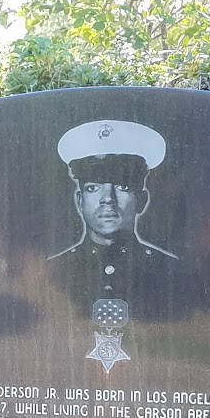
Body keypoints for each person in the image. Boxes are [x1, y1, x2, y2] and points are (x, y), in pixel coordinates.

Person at [48, 119, 178, 328]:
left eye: (122, 186)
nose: (107, 198)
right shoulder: (52, 272)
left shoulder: (173, 273)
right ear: (80, 201)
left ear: (141, 200)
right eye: (93, 188)